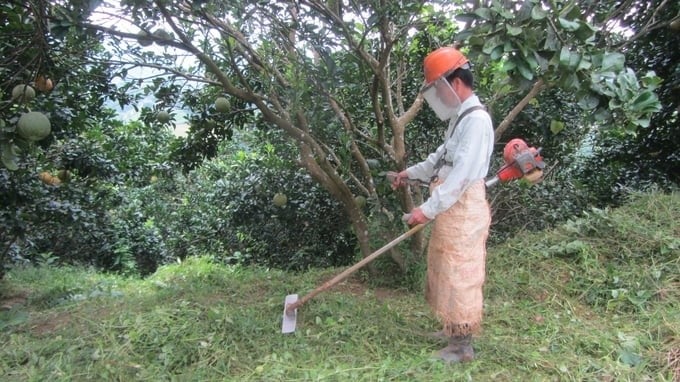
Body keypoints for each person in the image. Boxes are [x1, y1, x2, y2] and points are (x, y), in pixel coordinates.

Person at [391, 46, 494, 363]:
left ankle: (462, 346)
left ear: (457, 83)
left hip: (462, 206)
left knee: (460, 272)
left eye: (439, 88)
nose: (439, 96)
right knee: (445, 269)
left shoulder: (476, 122)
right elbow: (441, 160)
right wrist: (409, 173)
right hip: (451, 206)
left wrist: (427, 209)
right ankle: (452, 330)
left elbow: (460, 177)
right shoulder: (460, 119)